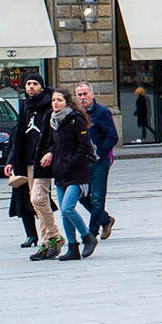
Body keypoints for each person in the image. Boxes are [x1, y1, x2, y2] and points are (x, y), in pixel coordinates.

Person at [4, 75, 61, 259]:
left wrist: (51, 152)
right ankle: (47, 241)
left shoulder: (49, 106)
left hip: (41, 160)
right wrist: (11, 160)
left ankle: (53, 236)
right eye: (28, 83)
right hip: (26, 160)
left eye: (35, 84)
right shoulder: (26, 107)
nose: (31, 87)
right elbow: (18, 137)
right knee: (36, 202)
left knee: (38, 199)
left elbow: (56, 134)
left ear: (41, 87)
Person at [41, 87, 97, 261]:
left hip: (76, 172)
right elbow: (53, 144)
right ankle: (73, 247)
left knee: (67, 207)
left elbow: (84, 145)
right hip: (60, 173)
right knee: (64, 213)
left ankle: (88, 237)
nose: (55, 103)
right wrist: (50, 153)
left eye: (59, 100)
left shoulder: (75, 119)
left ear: (67, 102)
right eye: (53, 100)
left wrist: (72, 162)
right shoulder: (54, 121)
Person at [72, 82, 119, 241]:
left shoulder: (102, 112)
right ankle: (105, 220)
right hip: (82, 162)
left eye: (85, 94)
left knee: (97, 197)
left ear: (92, 95)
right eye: (79, 95)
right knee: (82, 196)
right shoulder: (76, 113)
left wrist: (100, 152)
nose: (83, 97)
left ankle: (92, 233)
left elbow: (112, 136)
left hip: (99, 161)